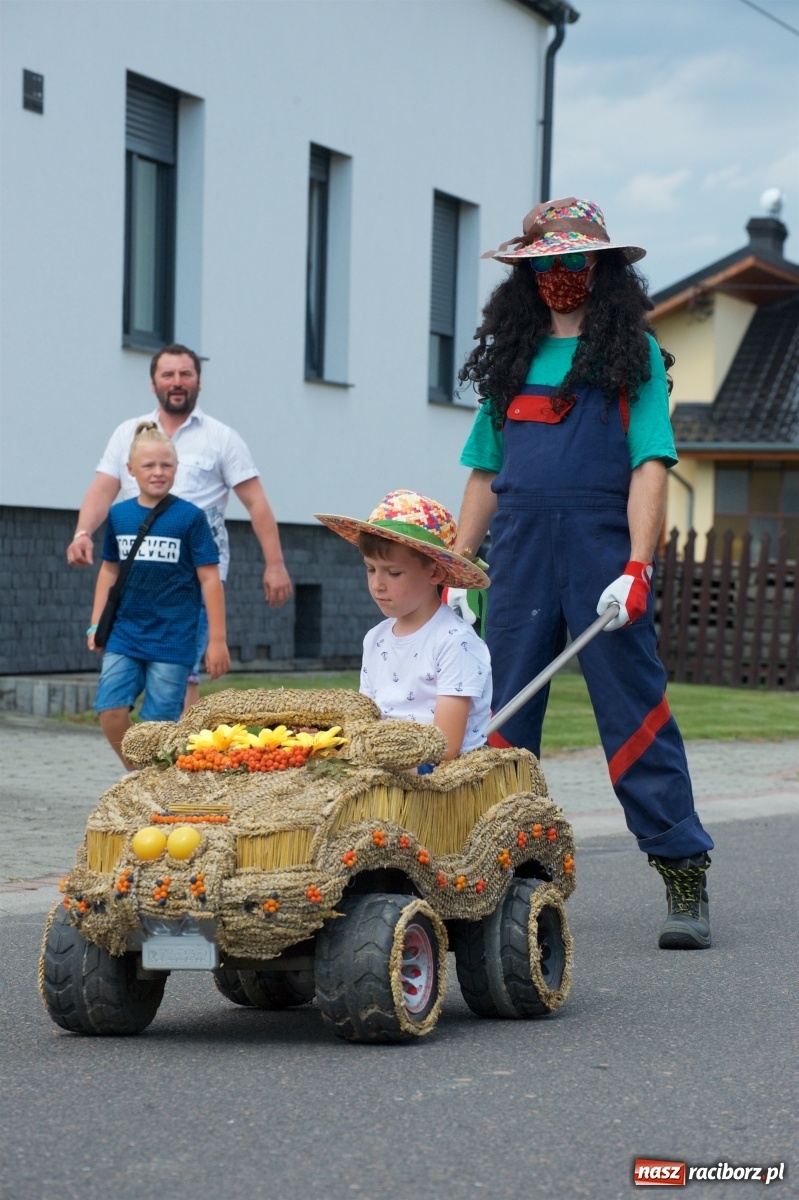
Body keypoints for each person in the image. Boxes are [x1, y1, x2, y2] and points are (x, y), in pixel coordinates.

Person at [453, 197, 713, 950]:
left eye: (573, 262)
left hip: (602, 554)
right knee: (497, 723)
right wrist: (455, 569)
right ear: (525, 275)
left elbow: (650, 465)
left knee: (633, 714)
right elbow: (480, 474)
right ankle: (498, 880)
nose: (559, 276)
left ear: (599, 270)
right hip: (521, 557)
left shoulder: (632, 356)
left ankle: (682, 870)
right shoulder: (510, 360)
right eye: (544, 264)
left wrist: (636, 566)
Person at [67, 344, 291, 707]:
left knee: (182, 678)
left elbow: (256, 503)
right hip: (136, 579)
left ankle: (175, 759)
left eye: (185, 374)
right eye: (167, 374)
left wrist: (276, 564)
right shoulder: (128, 433)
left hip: (193, 576)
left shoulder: (221, 437)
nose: (177, 382)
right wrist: (82, 533)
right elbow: (103, 488)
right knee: (120, 690)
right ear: (153, 383)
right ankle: (150, 761)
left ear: (199, 383)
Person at [87, 423, 230, 768]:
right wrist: (96, 625)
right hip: (125, 634)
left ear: (176, 468)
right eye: (148, 465)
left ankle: (150, 782)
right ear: (130, 470)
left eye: (166, 465)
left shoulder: (190, 518)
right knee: (109, 709)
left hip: (173, 639)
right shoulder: (119, 516)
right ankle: (139, 774)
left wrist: (217, 640)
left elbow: (210, 579)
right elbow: (108, 570)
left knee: (158, 725)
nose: (158, 472)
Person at [315, 490, 491, 762]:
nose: (377, 584)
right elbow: (366, 716)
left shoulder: (454, 641)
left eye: (393, 572)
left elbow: (445, 747)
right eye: (371, 569)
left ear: (435, 572)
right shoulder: (376, 638)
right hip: (383, 762)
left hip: (441, 781)